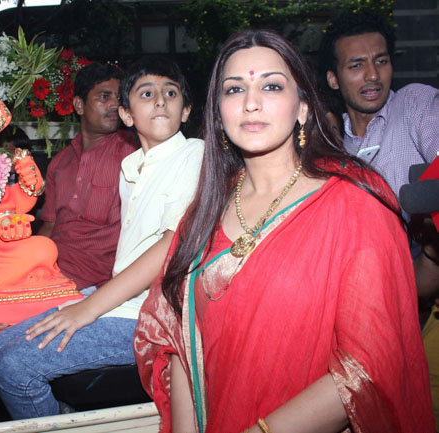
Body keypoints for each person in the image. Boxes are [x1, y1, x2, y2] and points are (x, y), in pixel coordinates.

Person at [134, 29, 433, 433]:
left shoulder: (355, 204)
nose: (251, 102)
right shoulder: (206, 208)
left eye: (271, 86)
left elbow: (368, 365)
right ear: (218, 112)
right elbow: (176, 333)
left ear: (303, 108)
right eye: (234, 89)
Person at [0, 57, 204, 419]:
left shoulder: (195, 153)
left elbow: (171, 244)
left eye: (170, 93)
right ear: (127, 114)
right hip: (123, 300)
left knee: (14, 366)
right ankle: (56, 410)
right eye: (147, 94)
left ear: (186, 111)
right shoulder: (132, 168)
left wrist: (88, 307)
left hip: (157, 314)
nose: (160, 101)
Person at [319, 11, 439, 202]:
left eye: (381, 61)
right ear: (333, 79)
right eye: (357, 66)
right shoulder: (332, 139)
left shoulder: (414, 103)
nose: (373, 75)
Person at [37, 63, 138, 289]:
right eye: (104, 96)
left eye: (118, 98)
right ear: (79, 105)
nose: (114, 104)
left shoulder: (133, 153)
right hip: (48, 274)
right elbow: (49, 227)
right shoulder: (59, 163)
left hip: (97, 286)